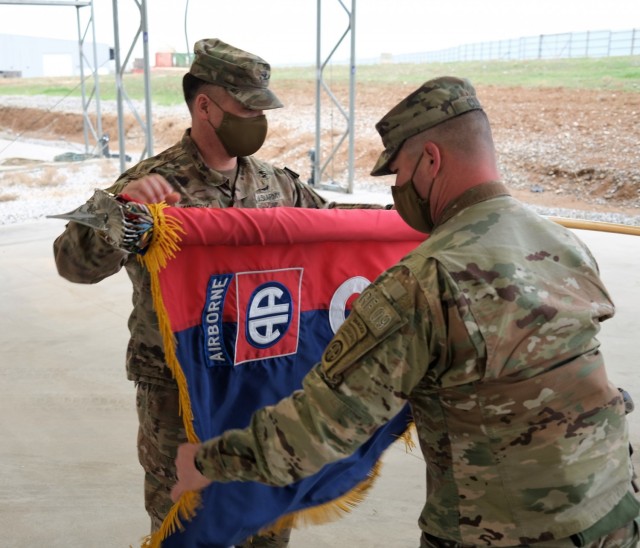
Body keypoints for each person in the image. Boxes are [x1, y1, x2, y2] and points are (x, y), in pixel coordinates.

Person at [171, 76, 640, 547]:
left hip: (505, 531)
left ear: (431, 160)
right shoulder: (560, 241)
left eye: (398, 172)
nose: (397, 188)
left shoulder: (423, 281)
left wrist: (208, 462)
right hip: (612, 509)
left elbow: (317, 431)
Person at [53, 38, 378, 547]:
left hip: (266, 381)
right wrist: (118, 214)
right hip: (181, 395)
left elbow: (338, 231)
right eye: (246, 109)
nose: (257, 119)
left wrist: (414, 219)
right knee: (188, 518)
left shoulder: (279, 185)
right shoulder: (149, 185)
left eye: (261, 109)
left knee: (266, 518)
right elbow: (72, 266)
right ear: (204, 105)